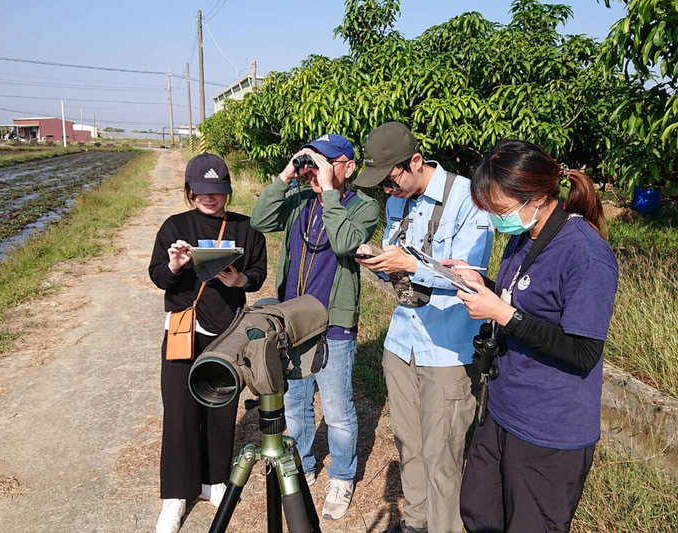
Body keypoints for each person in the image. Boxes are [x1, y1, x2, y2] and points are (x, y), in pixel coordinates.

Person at [450, 139, 618, 532]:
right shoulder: (524, 235)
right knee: (479, 512)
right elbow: (526, 302)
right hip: (503, 410)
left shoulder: (586, 254)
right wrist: (483, 285)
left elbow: (582, 351)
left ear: (538, 196)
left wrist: (502, 314)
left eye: (501, 210)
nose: (495, 221)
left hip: (548, 430)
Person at [353, 121, 493, 533]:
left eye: (391, 180)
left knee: (442, 457)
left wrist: (411, 264)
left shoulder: (468, 200)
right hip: (402, 345)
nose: (387, 191)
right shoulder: (399, 199)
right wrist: (379, 262)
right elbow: (401, 275)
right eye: (381, 185)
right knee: (409, 447)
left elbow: (471, 280)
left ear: (415, 162)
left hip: (447, 352)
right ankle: (415, 523)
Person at [250, 133, 380, 520]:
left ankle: (342, 475)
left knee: (337, 408)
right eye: (312, 161)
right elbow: (260, 220)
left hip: (333, 324)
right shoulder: (299, 199)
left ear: (348, 167)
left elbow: (343, 243)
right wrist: (288, 173)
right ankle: (302, 465)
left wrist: (329, 193)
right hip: (291, 319)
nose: (315, 170)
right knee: (295, 401)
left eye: (326, 163)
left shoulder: (364, 207)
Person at [148, 153, 267, 533]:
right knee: (180, 411)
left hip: (228, 332)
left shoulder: (247, 228)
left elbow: (259, 272)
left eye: (216, 192)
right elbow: (158, 277)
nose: (209, 199)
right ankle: (176, 495)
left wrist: (241, 282)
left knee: (221, 408)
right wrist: (174, 266)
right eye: (201, 192)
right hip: (184, 328)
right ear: (189, 191)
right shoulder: (174, 226)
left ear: (227, 191)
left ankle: (215, 482)